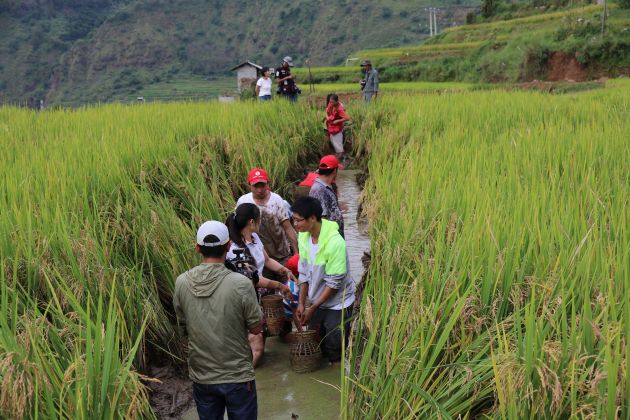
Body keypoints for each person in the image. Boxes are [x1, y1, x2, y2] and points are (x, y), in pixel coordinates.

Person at [173, 220, 262, 420]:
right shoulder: (241, 283)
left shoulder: (181, 282)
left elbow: (183, 327)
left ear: (197, 248)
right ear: (228, 246)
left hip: (202, 376)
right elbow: (256, 328)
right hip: (238, 375)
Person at [226, 203, 295, 367]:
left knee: (260, 335)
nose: (260, 223)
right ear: (251, 222)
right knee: (256, 346)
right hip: (244, 298)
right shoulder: (235, 248)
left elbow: (268, 260)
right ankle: (246, 377)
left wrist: (286, 271)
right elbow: (254, 279)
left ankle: (253, 371)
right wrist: (280, 285)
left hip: (259, 297)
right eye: (259, 220)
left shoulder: (254, 238)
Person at [291, 197, 355, 366]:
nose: (295, 225)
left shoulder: (335, 242)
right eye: (293, 220)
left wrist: (312, 307)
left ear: (312, 218)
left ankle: (335, 377)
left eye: (298, 220)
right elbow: (303, 274)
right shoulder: (303, 237)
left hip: (337, 302)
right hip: (316, 300)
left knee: (335, 346)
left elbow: (334, 284)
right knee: (317, 341)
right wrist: (301, 304)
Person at [237, 168, 298, 278]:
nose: (259, 190)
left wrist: (296, 253)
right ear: (249, 185)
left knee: (289, 287)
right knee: (267, 291)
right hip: (259, 257)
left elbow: (288, 228)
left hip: (281, 254)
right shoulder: (243, 202)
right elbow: (237, 227)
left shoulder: (277, 201)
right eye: (256, 186)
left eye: (262, 185)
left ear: (267, 184)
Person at [309, 155, 344, 238]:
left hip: (334, 238)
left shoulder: (325, 187)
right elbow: (321, 220)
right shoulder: (319, 190)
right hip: (328, 240)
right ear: (335, 171)